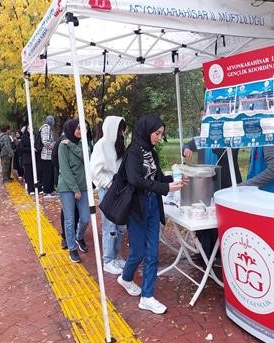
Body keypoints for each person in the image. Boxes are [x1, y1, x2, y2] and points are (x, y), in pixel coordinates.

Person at [118, 114, 185, 314]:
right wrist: (166, 188)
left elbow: (157, 178)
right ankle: (126, 277)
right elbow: (135, 180)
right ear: (146, 131)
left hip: (153, 205)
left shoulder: (152, 153)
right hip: (137, 207)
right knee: (138, 252)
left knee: (152, 252)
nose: (158, 137)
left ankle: (147, 296)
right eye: (157, 133)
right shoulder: (133, 153)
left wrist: (176, 178)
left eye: (161, 134)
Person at [182, 142, 242, 263]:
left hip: (225, 183)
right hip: (204, 183)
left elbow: (228, 156)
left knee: (218, 220)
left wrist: (216, 148)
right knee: (203, 216)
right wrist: (187, 148)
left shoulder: (229, 136)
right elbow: (189, 144)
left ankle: (219, 254)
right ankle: (203, 253)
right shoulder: (203, 135)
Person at [90, 116, 127, 275]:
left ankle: (116, 255)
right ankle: (108, 260)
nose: (122, 132)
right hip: (108, 190)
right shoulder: (102, 145)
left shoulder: (119, 144)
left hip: (120, 189)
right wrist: (109, 183)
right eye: (120, 129)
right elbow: (94, 171)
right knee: (109, 226)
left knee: (120, 226)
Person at [57, 119, 90, 263]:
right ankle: (72, 248)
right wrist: (75, 189)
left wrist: (72, 145)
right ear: (71, 129)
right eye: (78, 128)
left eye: (84, 128)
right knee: (69, 220)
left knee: (85, 218)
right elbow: (65, 170)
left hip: (83, 187)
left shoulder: (83, 144)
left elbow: (87, 158)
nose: (82, 131)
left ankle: (79, 237)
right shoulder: (62, 146)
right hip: (67, 188)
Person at [38, 115, 56, 196]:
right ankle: (47, 190)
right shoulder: (46, 128)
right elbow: (45, 141)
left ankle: (50, 189)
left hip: (48, 155)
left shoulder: (47, 128)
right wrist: (53, 146)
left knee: (50, 173)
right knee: (47, 173)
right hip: (47, 155)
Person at [18, 126, 34, 193]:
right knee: (28, 173)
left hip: (33, 158)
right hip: (27, 158)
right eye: (29, 129)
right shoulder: (24, 137)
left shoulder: (33, 136)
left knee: (33, 173)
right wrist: (31, 149)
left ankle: (34, 187)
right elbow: (21, 148)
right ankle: (29, 189)